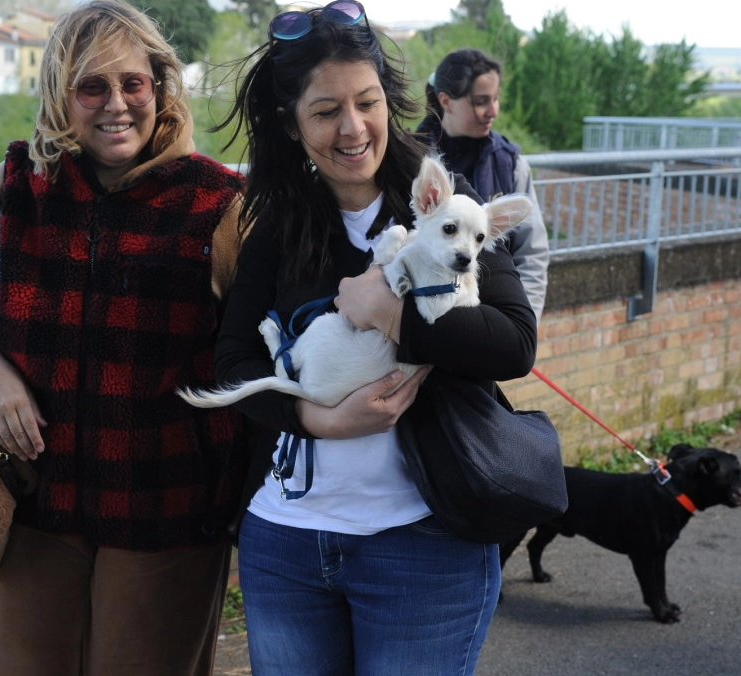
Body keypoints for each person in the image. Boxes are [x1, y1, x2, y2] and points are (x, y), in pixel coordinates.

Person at [211, 2, 537, 673]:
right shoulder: (277, 224)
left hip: (425, 543)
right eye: (326, 111)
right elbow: (234, 360)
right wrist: (315, 419)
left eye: (367, 102)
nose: (353, 128)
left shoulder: (447, 209)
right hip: (288, 545)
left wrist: (390, 315)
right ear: (290, 122)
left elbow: (513, 344)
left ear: (389, 102)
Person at [0, 2, 248, 674]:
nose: (117, 104)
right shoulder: (14, 190)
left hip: (168, 506)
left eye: (133, 83)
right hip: (36, 499)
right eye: (92, 87)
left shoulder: (217, 205)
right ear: (59, 95)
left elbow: (255, 350)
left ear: (160, 89)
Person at [417, 48, 551, 318]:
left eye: (496, 99)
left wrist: (524, 325)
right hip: (421, 320)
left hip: (493, 325)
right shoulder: (409, 161)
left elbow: (532, 254)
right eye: (481, 101)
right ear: (446, 101)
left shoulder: (511, 165)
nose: (493, 111)